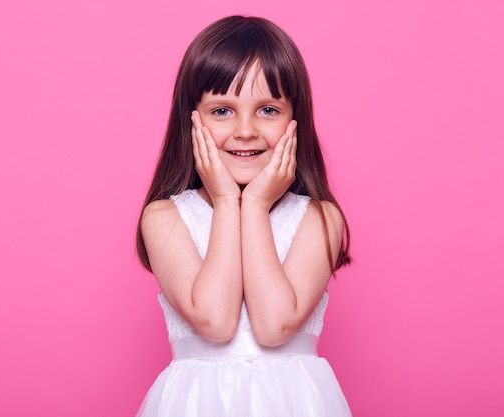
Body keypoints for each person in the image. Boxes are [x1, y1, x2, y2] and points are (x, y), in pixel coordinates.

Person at [135, 15, 352, 417]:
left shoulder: (319, 217)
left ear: (294, 120)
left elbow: (273, 326)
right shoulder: (164, 217)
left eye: (268, 109)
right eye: (222, 111)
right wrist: (223, 199)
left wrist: (253, 204)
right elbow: (215, 321)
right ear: (191, 120)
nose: (246, 130)